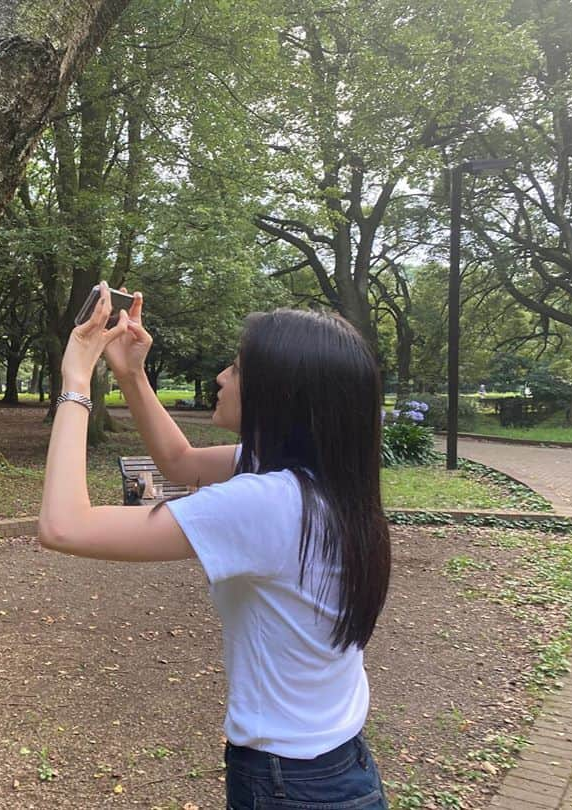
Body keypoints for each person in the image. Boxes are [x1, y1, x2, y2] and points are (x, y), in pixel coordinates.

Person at [38, 283, 390, 809]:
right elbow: (180, 463)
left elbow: (64, 525)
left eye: (239, 368)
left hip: (289, 786)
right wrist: (131, 374)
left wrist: (75, 378)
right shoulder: (323, 477)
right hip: (337, 766)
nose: (222, 378)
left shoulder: (269, 502)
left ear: (281, 394)